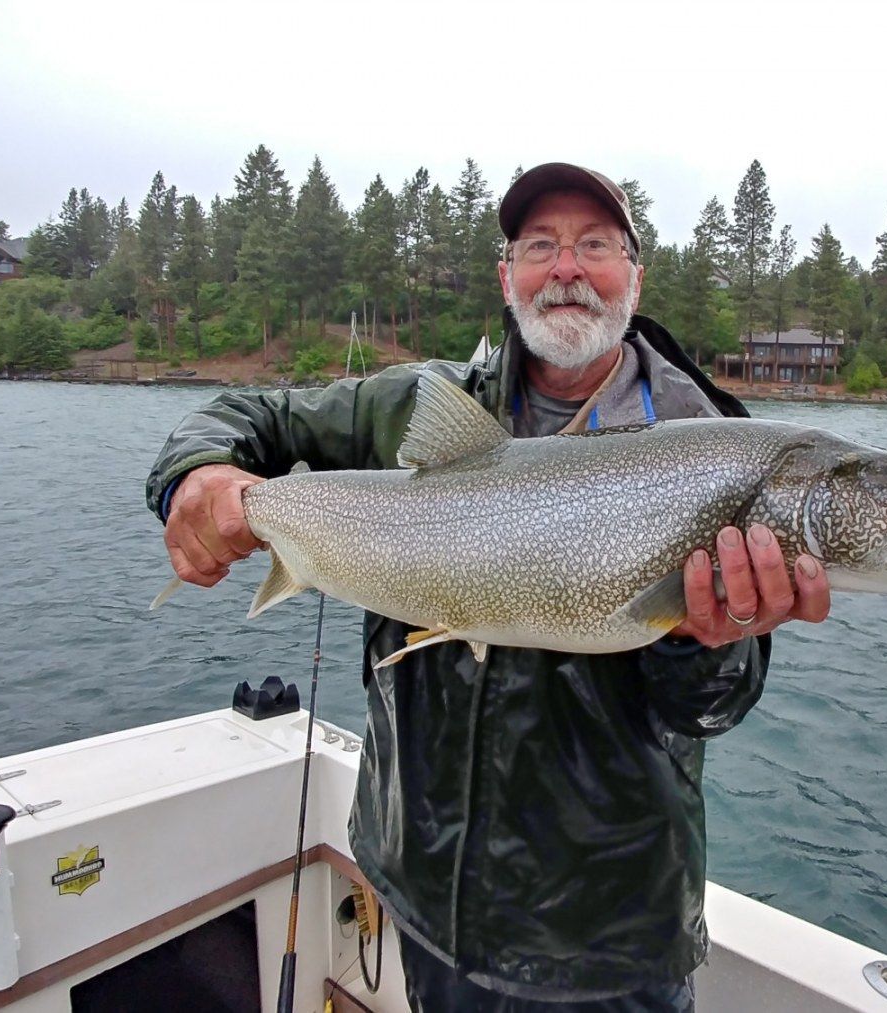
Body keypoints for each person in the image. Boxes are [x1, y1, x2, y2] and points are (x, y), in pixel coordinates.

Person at [146, 163, 831, 1011]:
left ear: (634, 275)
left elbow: (713, 707)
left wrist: (705, 642)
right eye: (540, 246)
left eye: (594, 245)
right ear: (508, 277)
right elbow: (247, 415)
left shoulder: (713, 448)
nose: (567, 268)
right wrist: (194, 478)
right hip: (426, 896)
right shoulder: (416, 407)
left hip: (608, 941)